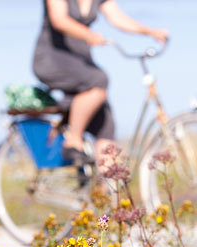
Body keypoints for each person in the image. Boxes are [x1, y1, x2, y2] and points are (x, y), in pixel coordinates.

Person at [33, 0, 168, 167]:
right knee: (99, 80)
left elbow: (118, 18)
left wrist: (150, 32)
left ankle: (111, 188)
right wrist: (88, 35)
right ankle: (73, 142)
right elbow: (59, 20)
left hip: (81, 61)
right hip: (52, 60)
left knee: (105, 124)